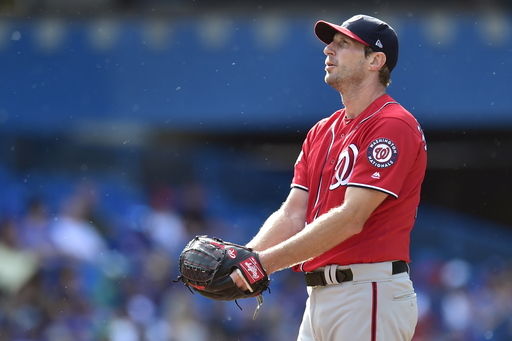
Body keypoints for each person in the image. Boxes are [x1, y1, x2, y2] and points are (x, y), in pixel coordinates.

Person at [231, 14, 427, 340]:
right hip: (320, 298)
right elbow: (293, 213)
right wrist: (246, 258)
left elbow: (352, 217)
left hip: (368, 291)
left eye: (343, 44)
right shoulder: (322, 131)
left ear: (375, 60)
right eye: (330, 44)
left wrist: (264, 264)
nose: (328, 51)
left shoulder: (392, 124)